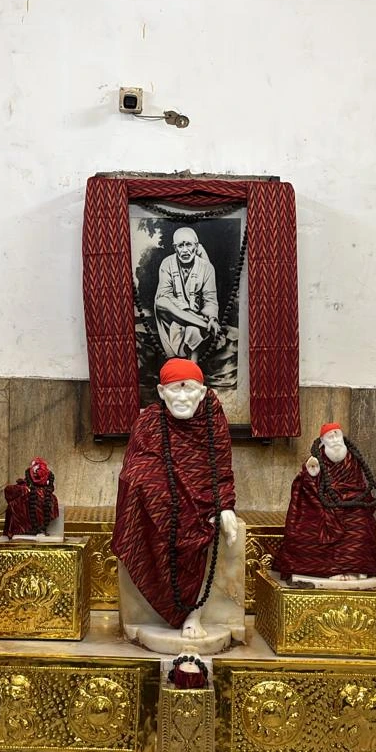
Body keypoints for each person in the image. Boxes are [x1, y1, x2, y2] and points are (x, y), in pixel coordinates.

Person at [112, 357, 237, 638]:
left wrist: (224, 505)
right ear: (161, 392)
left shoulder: (212, 421)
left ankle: (193, 614)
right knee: (141, 483)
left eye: (188, 389)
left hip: (203, 500)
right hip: (162, 504)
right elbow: (135, 467)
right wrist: (162, 492)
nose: (182, 398)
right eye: (174, 389)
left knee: (198, 531)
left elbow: (221, 469)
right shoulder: (150, 421)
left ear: (202, 393)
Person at [274, 422, 376, 581]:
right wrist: (311, 473)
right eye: (331, 437)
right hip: (322, 502)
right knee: (310, 527)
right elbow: (304, 484)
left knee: (361, 524)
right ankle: (325, 570)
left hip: (351, 504)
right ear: (323, 441)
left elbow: (359, 484)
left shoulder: (352, 459)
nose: (336, 440)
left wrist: (349, 498)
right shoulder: (317, 459)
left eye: (338, 436)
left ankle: (355, 567)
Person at [154, 227, 221, 360]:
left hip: (196, 314)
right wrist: (187, 310)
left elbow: (210, 299)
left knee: (193, 330)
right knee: (162, 301)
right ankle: (203, 324)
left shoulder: (207, 268)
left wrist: (213, 318)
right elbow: (165, 294)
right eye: (180, 245)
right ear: (175, 248)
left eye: (188, 244)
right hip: (172, 315)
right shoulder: (167, 263)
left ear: (196, 246)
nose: (185, 250)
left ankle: (193, 368)